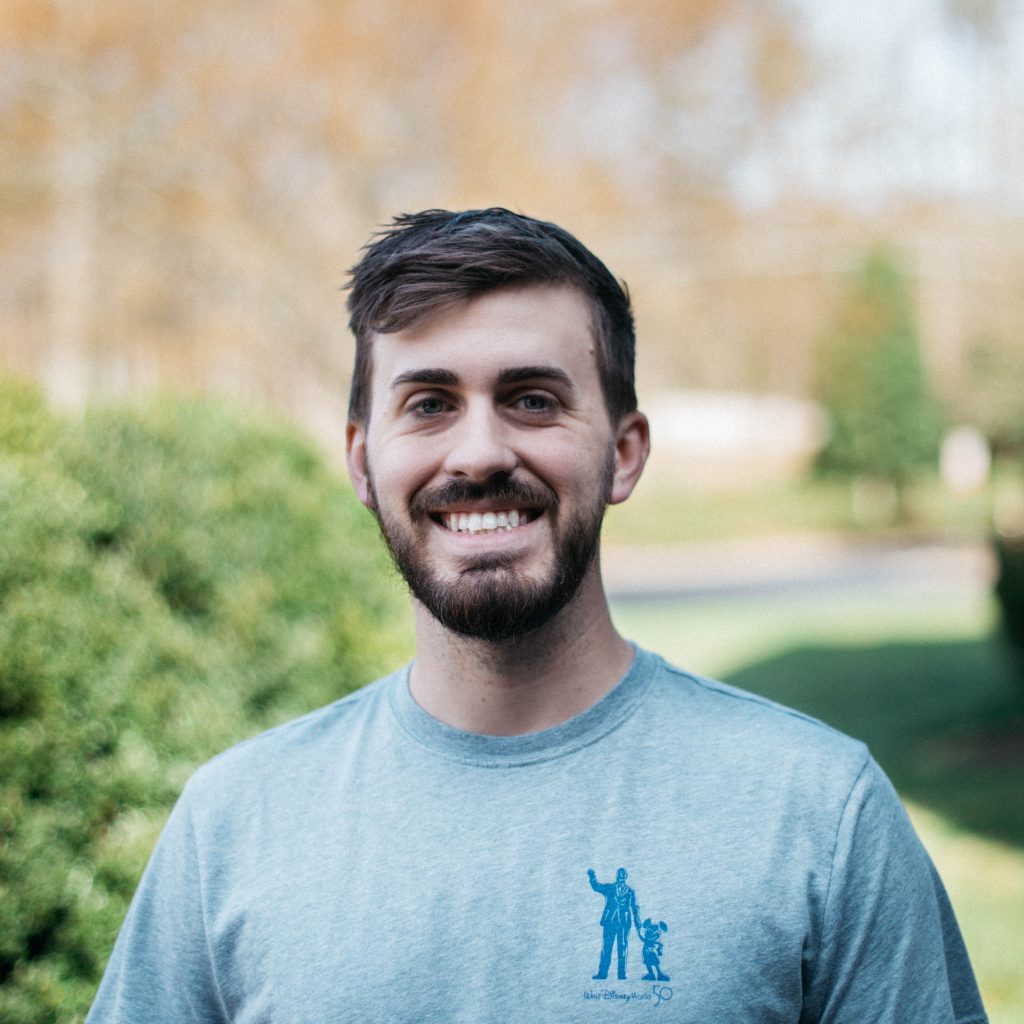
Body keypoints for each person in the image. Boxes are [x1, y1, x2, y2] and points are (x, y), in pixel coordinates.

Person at [87, 208, 987, 1023]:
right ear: (362, 461)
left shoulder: (818, 814)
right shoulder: (234, 825)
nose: (479, 453)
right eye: (429, 404)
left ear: (624, 453)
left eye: (532, 401)